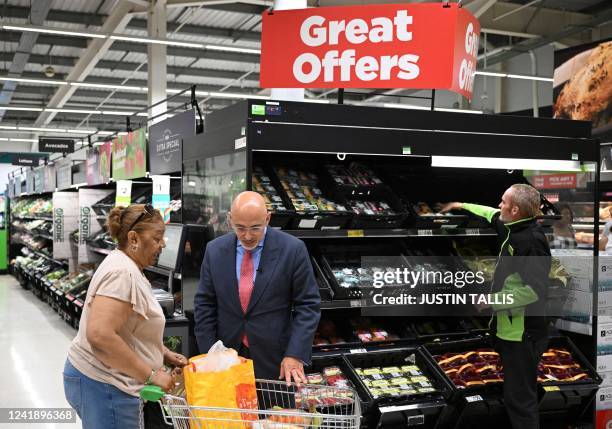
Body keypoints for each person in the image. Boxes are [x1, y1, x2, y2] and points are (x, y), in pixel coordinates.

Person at [63, 204, 188, 429]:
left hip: (105, 383)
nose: (163, 244)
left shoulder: (127, 264)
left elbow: (128, 328)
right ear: (133, 238)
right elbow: (100, 335)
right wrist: (151, 375)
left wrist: (163, 352)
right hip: (105, 386)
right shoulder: (122, 273)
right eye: (157, 238)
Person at [440, 184, 551, 429]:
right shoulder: (512, 226)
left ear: (515, 209)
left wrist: (492, 301)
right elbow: (489, 213)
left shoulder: (530, 242)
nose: (498, 205)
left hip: (523, 334)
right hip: (506, 329)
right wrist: (461, 206)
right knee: (513, 395)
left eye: (503, 202)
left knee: (521, 401)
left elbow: (533, 292)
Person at [194, 191, 321, 383]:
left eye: (255, 228)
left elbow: (308, 305)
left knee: (276, 412)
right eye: (240, 228)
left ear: (267, 218)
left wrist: (295, 353)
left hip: (276, 361)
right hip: (226, 358)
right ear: (230, 220)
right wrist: (211, 353)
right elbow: (204, 304)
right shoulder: (214, 251)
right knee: (230, 412)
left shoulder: (292, 250)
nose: (247, 236)